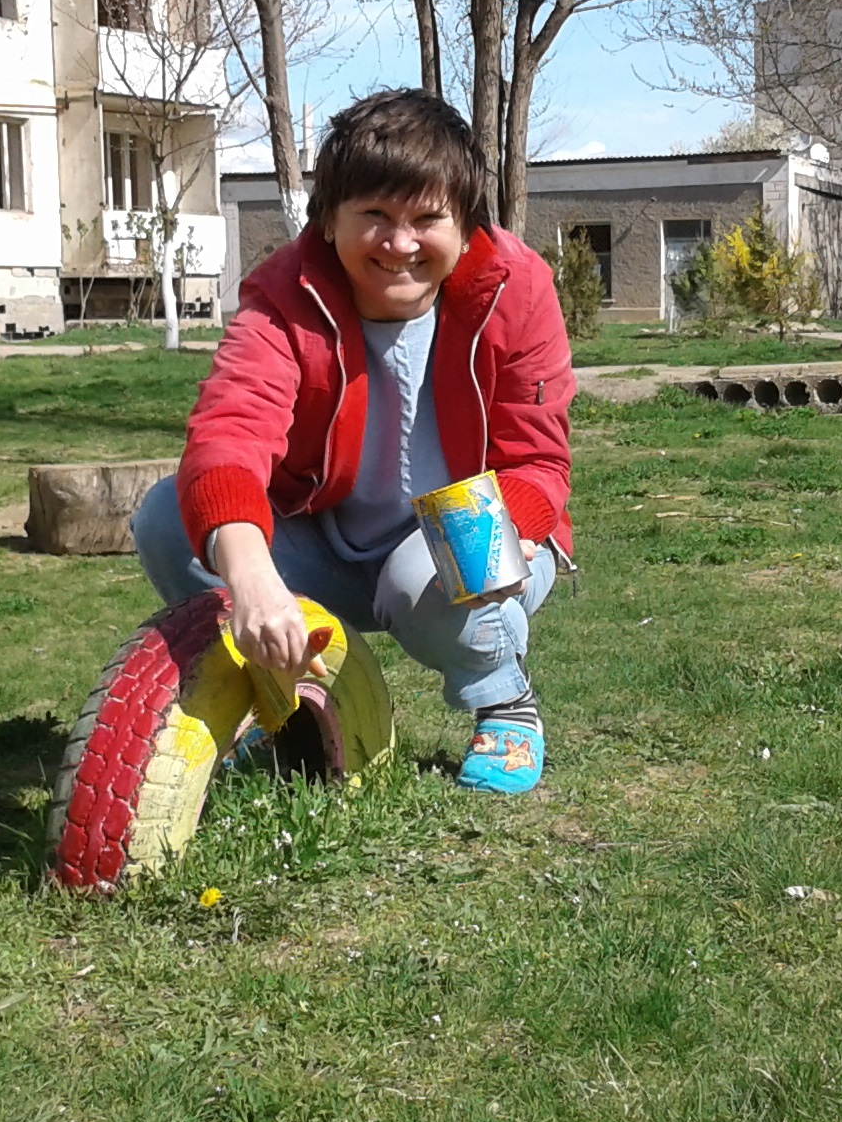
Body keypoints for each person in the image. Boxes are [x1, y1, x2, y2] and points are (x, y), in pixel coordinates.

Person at [131, 89, 574, 794]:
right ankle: (281, 702)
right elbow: (227, 435)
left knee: (454, 551)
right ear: (329, 222)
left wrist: (511, 534)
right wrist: (249, 580)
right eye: (374, 216)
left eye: (427, 219)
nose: (399, 244)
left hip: (466, 532)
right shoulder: (284, 296)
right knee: (164, 518)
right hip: (329, 541)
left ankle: (503, 697)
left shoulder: (515, 290)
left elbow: (538, 458)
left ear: (464, 225)